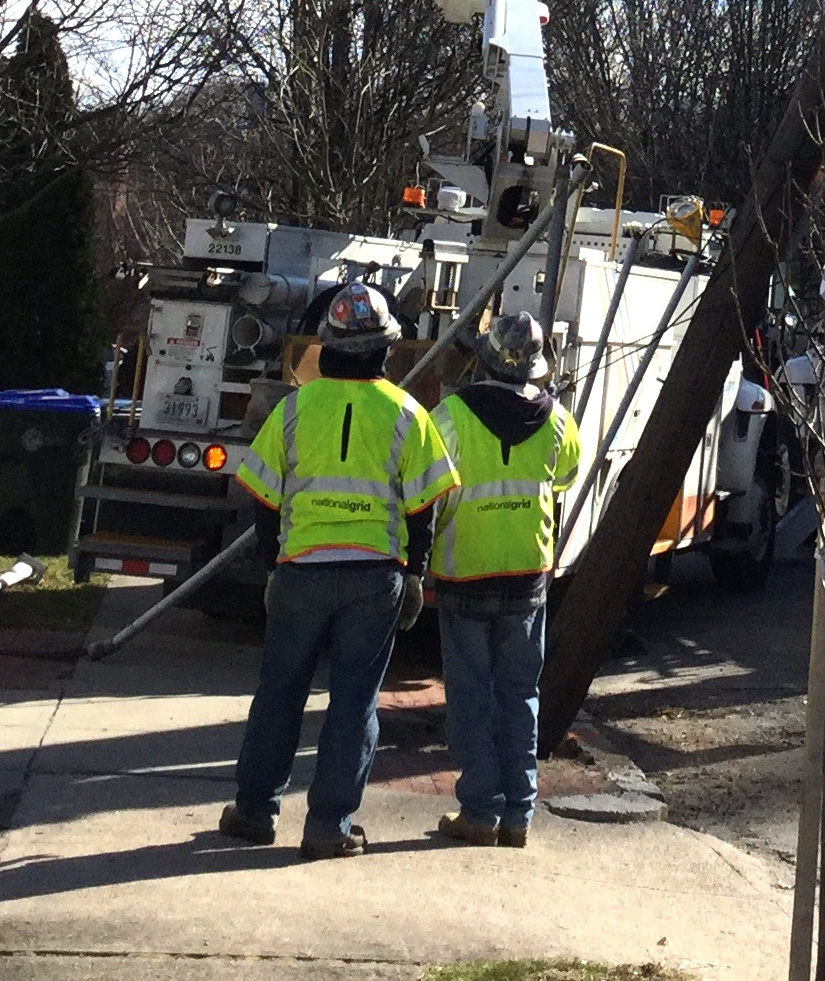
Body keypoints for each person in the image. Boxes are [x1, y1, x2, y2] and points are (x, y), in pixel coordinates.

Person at [218, 282, 457, 859]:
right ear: (386, 349)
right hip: (375, 578)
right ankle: (328, 825)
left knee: (279, 692)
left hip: (301, 571)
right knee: (355, 701)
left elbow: (262, 496)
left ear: (325, 345)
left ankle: (254, 811)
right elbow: (428, 506)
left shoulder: (294, 408)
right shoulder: (408, 415)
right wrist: (415, 576)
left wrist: (277, 558)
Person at [427, 313, 582, 848]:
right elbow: (564, 477)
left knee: (471, 695)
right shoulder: (558, 420)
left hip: (464, 573)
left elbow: (428, 490)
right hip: (527, 578)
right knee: (520, 694)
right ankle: (519, 814)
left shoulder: (449, 417)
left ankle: (479, 811)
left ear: (484, 358)